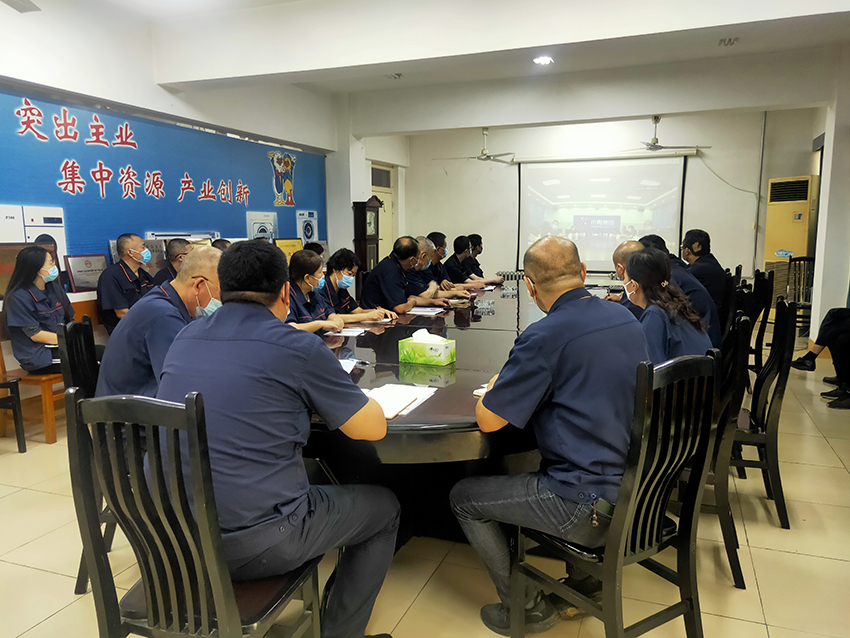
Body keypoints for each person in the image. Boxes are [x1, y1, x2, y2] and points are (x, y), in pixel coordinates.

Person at [156, 239, 399, 638]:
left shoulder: (186, 336)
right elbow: (371, 428)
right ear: (286, 291)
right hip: (256, 543)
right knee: (384, 508)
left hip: (177, 533)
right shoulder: (298, 346)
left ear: (221, 288)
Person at [450, 236, 649, 635]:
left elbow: (489, 420)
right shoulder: (626, 317)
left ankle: (526, 608)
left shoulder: (544, 337)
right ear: (583, 272)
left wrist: (496, 385)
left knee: (464, 498)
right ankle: (586, 582)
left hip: (587, 505)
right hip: (638, 490)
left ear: (529, 285)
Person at [95, 247, 221, 398]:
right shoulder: (163, 316)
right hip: (128, 407)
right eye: (221, 291)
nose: (222, 300)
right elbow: (179, 383)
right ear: (198, 285)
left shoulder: (167, 299)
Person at [624, 248, 712, 364]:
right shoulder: (678, 305)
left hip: (679, 375)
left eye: (624, 278)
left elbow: (651, 368)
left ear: (634, 285)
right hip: (702, 374)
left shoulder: (655, 315)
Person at [1, 245, 74, 374]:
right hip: (39, 356)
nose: (54, 266)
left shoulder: (55, 289)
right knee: (88, 359)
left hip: (62, 346)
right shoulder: (18, 297)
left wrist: (76, 338)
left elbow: (70, 319)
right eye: (50, 263)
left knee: (101, 353)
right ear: (37, 268)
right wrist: (69, 340)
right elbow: (35, 334)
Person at [639, 234, 721, 347]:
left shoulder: (670, 277)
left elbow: (659, 312)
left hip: (703, 342)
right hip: (704, 336)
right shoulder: (676, 267)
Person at [360, 237, 449, 314]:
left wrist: (433, 302)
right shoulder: (391, 271)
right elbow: (400, 308)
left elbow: (410, 298)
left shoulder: (395, 264)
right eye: (417, 258)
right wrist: (413, 302)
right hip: (375, 317)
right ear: (412, 260)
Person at [96, 233, 155, 334]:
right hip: (126, 333)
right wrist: (150, 323)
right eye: (143, 247)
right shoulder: (111, 276)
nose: (146, 250)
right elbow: (122, 313)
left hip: (148, 329)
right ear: (130, 252)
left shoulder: (144, 275)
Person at [321, 248, 397, 322]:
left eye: (353, 275)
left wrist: (379, 312)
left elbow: (358, 311)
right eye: (349, 274)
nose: (351, 278)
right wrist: (367, 316)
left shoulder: (341, 289)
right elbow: (330, 317)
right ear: (335, 269)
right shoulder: (322, 289)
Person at [286, 249, 344, 333]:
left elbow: (328, 310)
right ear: (307, 278)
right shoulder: (288, 297)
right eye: (320, 272)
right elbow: (289, 328)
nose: (323, 275)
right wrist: (320, 324)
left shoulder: (314, 292)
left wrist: (334, 318)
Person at [406, 237, 471, 302]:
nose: (431, 260)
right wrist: (433, 285)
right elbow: (426, 295)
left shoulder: (422, 269)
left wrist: (456, 293)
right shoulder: (410, 271)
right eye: (431, 257)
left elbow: (432, 293)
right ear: (424, 256)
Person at [681, 229, 726, 312]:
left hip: (705, 316)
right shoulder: (708, 262)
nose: (682, 250)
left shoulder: (699, 269)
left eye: (682, 247)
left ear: (687, 250)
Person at [604, 240, 644, 319]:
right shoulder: (649, 281)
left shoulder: (633, 306)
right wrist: (621, 298)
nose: (623, 285)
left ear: (620, 268)